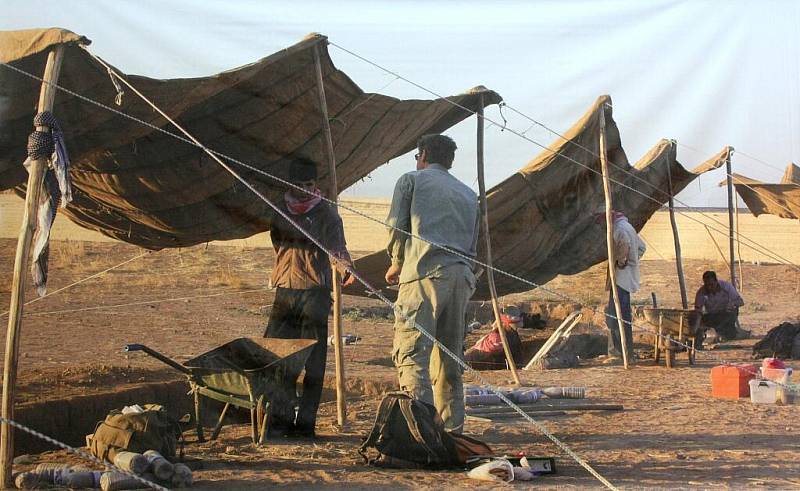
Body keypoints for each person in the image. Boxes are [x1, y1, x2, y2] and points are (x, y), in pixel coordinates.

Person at [385, 134, 479, 432]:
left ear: (423, 154)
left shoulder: (410, 180)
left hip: (424, 274)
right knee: (450, 360)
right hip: (461, 278)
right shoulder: (467, 193)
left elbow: (396, 227)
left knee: (413, 356)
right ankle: (452, 432)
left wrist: (397, 262)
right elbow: (473, 242)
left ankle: (421, 433)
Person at [263, 158, 354, 439]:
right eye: (298, 185)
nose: (304, 190)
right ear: (289, 184)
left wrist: (345, 265)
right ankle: (279, 421)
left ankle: (305, 426)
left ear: (316, 185)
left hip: (315, 292)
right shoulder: (280, 209)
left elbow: (337, 248)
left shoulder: (327, 214)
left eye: (309, 184)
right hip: (285, 290)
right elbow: (277, 241)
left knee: (313, 362)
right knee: (278, 357)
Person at [595, 206, 646, 364]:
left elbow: (624, 245)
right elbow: (642, 247)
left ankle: (618, 353)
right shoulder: (627, 226)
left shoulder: (618, 229)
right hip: (625, 276)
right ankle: (624, 351)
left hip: (620, 277)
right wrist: (633, 261)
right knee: (621, 313)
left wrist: (622, 262)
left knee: (616, 315)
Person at [694, 270, 744, 346]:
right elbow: (697, 311)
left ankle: (724, 333)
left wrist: (732, 304)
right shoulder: (701, 292)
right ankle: (718, 333)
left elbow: (740, 302)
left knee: (731, 316)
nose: (709, 287)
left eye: (711, 284)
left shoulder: (727, 287)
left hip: (727, 314)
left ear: (716, 281)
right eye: (707, 285)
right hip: (712, 316)